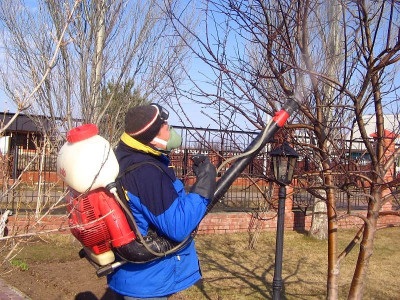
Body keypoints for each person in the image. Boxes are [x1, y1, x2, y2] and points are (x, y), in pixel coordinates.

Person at [107, 103, 217, 299]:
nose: (171, 130)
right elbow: (178, 225)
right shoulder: (145, 173)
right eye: (166, 127)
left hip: (136, 278)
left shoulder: (126, 156)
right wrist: (204, 186)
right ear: (152, 139)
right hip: (149, 282)